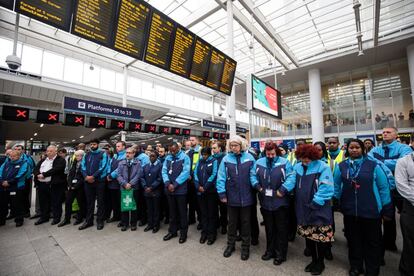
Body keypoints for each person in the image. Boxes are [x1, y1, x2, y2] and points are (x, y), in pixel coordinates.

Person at [334, 139, 393, 276]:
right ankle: (356, 266)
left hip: (371, 211)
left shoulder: (374, 165)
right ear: (347, 149)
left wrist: (387, 208)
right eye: (351, 148)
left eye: (357, 147)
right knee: (354, 241)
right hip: (350, 212)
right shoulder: (341, 166)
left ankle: (372, 269)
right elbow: (336, 185)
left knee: (372, 242)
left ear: (362, 149)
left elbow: (383, 187)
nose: (354, 150)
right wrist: (336, 201)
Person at [278, 144, 334, 275]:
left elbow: (326, 187)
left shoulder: (323, 167)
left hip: (318, 208)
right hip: (302, 207)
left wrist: (316, 202)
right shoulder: (297, 167)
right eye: (303, 158)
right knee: (309, 237)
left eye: (308, 157)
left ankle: (320, 262)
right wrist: (283, 190)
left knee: (320, 237)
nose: (305, 160)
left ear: (313, 156)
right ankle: (314, 260)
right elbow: (291, 181)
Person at [368, 127, 412, 252]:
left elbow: (403, 163)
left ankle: (409, 246)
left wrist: (380, 162)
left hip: (402, 188)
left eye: (388, 132)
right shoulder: (375, 149)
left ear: (396, 135)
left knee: (407, 218)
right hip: (383, 187)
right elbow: (370, 163)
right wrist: (392, 162)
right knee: (387, 216)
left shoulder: (404, 148)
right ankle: (389, 243)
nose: (385, 134)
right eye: (383, 132)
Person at [217, 135, 259, 261]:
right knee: (232, 223)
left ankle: (245, 248)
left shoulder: (249, 158)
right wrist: (222, 194)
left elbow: (254, 175)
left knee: (246, 223)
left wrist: (257, 188)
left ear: (241, 146)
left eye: (236, 145)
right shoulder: (226, 159)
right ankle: (230, 246)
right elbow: (221, 177)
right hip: (232, 197)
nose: (233, 147)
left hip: (247, 196)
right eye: (231, 145)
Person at [256, 141, 294, 266]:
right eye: (268, 154)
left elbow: (291, 177)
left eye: (272, 154)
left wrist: (283, 190)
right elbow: (253, 176)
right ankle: (270, 250)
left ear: (276, 152)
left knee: (281, 229)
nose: (270, 156)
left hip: (280, 202)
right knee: (269, 228)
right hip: (265, 202)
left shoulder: (284, 162)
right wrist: (258, 187)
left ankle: (280, 254)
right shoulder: (259, 162)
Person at [162, 142, 191, 244]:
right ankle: (172, 231)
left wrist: (175, 184)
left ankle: (183, 233)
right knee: (172, 212)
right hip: (169, 189)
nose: (172, 152)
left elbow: (186, 172)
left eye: (174, 150)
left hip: (180, 190)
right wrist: (167, 182)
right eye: (171, 151)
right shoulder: (168, 157)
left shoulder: (185, 157)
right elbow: (164, 170)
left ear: (178, 148)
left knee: (182, 213)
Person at [79, 139, 109, 230]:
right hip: (88, 181)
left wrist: (93, 176)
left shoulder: (103, 154)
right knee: (89, 202)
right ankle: (89, 221)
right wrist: (86, 177)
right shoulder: (86, 154)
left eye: (94, 144)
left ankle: (100, 221)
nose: (92, 146)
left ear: (98, 145)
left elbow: (103, 167)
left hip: (99, 181)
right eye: (91, 144)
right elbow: (82, 166)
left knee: (100, 202)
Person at [33, 145, 66, 226]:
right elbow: (36, 169)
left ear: (56, 151)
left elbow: (56, 170)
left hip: (54, 185)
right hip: (42, 185)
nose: (48, 152)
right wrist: (37, 174)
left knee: (56, 202)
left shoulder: (61, 160)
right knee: (43, 202)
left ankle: (56, 218)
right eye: (47, 151)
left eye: (51, 151)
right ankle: (44, 217)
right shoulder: (43, 160)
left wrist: (44, 174)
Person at [194, 146, 218, 245]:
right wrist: (198, 185)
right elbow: (195, 173)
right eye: (203, 155)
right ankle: (204, 233)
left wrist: (206, 186)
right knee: (203, 213)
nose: (204, 157)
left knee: (211, 214)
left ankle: (212, 234)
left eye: (206, 155)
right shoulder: (199, 161)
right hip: (200, 191)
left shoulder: (214, 161)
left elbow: (214, 174)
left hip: (210, 192)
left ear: (209, 154)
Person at [395, 153, 414, 276]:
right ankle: (407, 270)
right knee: (410, 241)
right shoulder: (404, 161)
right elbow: (401, 185)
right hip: (411, 206)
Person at [0, 150, 28, 227]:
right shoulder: (6, 163)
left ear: (18, 156)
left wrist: (9, 182)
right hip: (3, 187)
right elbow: (0, 172)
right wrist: (2, 181)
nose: (12, 157)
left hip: (15, 187)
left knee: (16, 204)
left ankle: (19, 220)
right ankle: (2, 220)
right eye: (10, 156)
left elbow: (21, 174)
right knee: (2, 204)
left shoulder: (23, 163)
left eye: (14, 156)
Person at [117, 147, 142, 231]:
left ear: (134, 154)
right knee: (124, 207)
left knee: (134, 207)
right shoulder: (121, 163)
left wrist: (130, 184)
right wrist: (124, 184)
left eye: (130, 153)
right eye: (126, 152)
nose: (127, 154)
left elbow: (138, 175)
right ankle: (125, 224)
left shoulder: (138, 163)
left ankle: (133, 224)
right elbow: (118, 175)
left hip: (134, 188)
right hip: (124, 188)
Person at [58, 150, 86, 227]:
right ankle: (67, 219)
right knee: (68, 202)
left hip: (80, 186)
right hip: (71, 186)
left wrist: (76, 185)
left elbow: (84, 176)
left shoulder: (85, 163)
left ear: (83, 156)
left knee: (81, 203)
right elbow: (70, 174)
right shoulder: (74, 163)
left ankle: (79, 218)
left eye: (79, 156)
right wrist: (70, 184)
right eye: (76, 156)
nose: (77, 157)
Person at [142, 151, 163, 233]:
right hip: (147, 191)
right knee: (149, 209)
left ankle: (156, 225)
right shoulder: (146, 166)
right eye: (150, 156)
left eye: (153, 156)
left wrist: (152, 187)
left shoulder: (160, 166)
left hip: (155, 191)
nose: (151, 158)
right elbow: (142, 177)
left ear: (157, 157)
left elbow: (160, 178)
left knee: (156, 209)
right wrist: (145, 186)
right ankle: (150, 224)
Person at [106, 142, 126, 226]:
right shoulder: (115, 156)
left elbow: (119, 169)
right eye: (116, 146)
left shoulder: (125, 156)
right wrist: (108, 174)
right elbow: (109, 165)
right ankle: (115, 216)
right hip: (112, 182)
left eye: (119, 146)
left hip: (120, 181)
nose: (117, 148)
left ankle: (122, 219)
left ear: (124, 147)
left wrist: (111, 175)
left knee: (120, 201)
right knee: (113, 201)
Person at [14, 145, 35, 218]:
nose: (17, 151)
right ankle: (16, 212)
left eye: (19, 149)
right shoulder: (11, 157)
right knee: (16, 197)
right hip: (14, 180)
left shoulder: (28, 158)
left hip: (26, 180)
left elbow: (33, 167)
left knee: (24, 196)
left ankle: (26, 212)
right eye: (15, 149)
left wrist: (29, 174)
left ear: (23, 150)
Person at [212, 141, 227, 235]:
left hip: (222, 186)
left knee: (223, 208)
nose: (212, 150)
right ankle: (217, 223)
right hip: (212, 187)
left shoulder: (225, 158)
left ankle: (224, 225)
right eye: (212, 148)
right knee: (214, 208)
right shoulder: (212, 158)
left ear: (220, 148)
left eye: (214, 148)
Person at [187, 136, 202, 227]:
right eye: (190, 140)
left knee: (198, 202)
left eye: (193, 140)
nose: (191, 142)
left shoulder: (201, 151)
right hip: (189, 180)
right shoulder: (188, 152)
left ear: (197, 141)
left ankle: (200, 220)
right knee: (191, 201)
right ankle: (191, 219)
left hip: (197, 180)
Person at [134, 145, 150, 227]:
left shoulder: (144, 157)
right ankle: (138, 216)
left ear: (140, 149)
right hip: (135, 183)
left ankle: (143, 219)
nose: (135, 150)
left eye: (136, 149)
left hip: (142, 182)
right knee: (137, 202)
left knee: (143, 203)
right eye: (134, 149)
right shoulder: (134, 156)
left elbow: (145, 169)